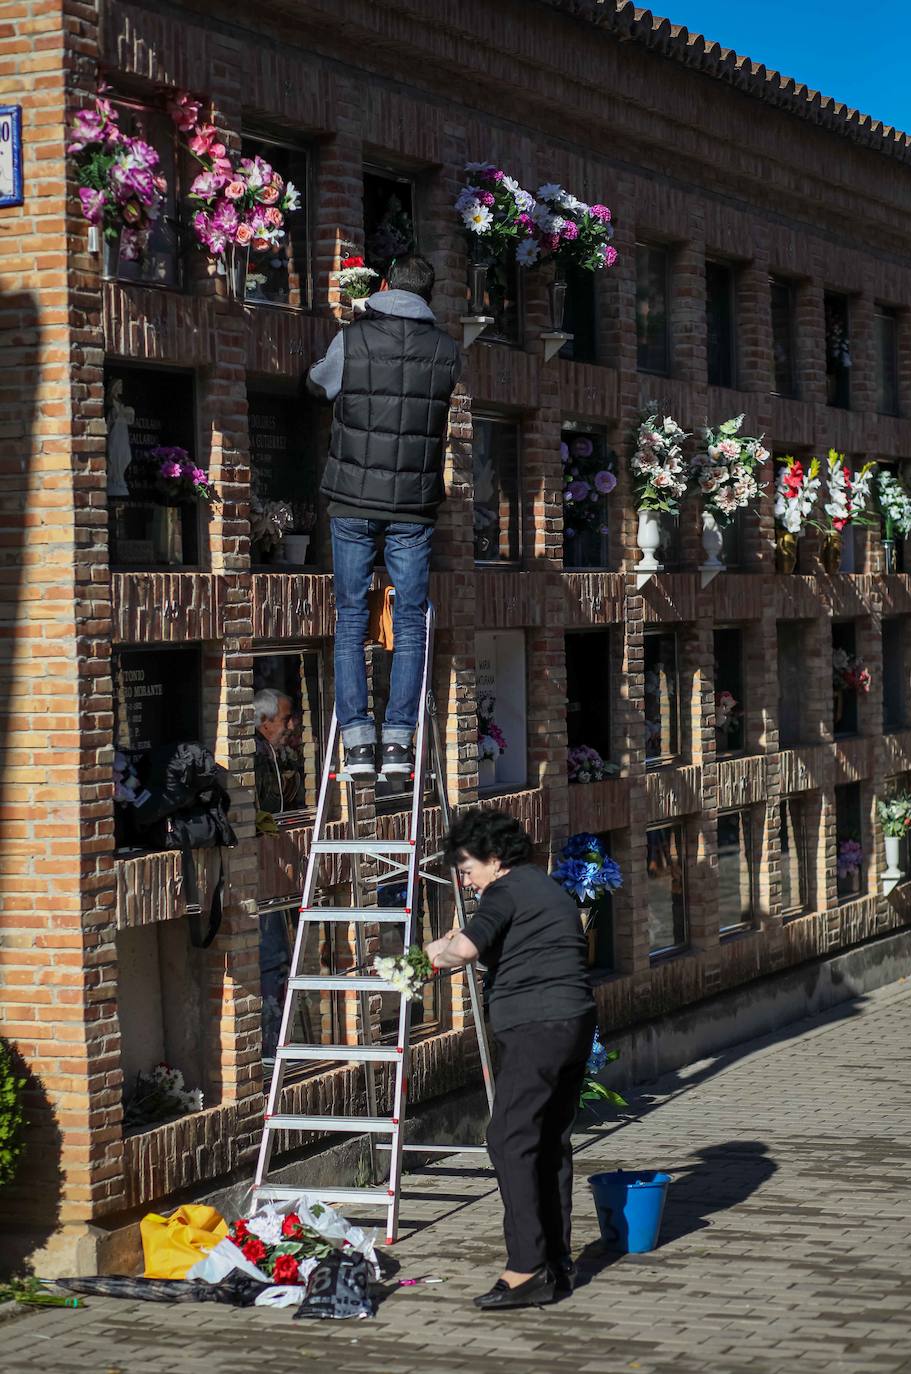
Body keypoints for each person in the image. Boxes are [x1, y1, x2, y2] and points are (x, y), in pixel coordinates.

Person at [425, 810, 596, 1311]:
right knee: (547, 1140)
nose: (464, 879)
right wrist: (447, 945)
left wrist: (427, 957)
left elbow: (465, 948)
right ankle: (557, 1263)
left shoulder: (503, 892)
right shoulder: (543, 887)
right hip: (574, 1022)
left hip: (537, 1029)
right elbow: (494, 944)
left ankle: (526, 1268)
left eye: (467, 868)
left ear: (495, 858)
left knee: (509, 1139)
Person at [307, 254, 462, 784]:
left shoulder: (352, 339)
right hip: (413, 507)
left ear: (385, 284)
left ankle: (356, 743)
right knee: (410, 620)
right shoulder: (447, 350)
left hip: (352, 500)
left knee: (352, 617)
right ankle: (398, 741)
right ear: (428, 295)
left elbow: (319, 385)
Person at [253, 688, 303, 815]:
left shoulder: (280, 751)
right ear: (265, 722)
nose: (291, 726)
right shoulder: (256, 755)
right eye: (286, 719)